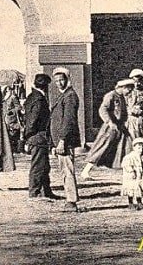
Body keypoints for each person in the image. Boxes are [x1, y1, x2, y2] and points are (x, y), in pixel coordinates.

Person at [81, 79, 134, 180]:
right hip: (110, 129)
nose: (129, 92)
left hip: (120, 127)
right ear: (123, 88)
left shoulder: (121, 97)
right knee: (102, 148)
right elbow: (102, 109)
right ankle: (85, 171)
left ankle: (126, 173)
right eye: (128, 89)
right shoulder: (111, 95)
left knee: (126, 148)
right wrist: (109, 122)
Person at [48, 67, 81, 212]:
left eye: (62, 80)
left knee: (67, 170)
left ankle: (71, 201)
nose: (59, 83)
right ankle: (70, 199)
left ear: (67, 79)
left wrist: (62, 140)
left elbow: (69, 120)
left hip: (65, 141)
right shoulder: (63, 95)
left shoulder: (70, 96)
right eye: (56, 81)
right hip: (59, 140)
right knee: (64, 169)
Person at [22, 73, 57, 200]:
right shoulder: (39, 99)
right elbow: (33, 120)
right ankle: (35, 192)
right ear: (45, 86)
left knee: (44, 165)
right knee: (38, 166)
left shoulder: (31, 97)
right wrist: (29, 135)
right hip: (38, 137)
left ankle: (46, 191)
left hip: (37, 137)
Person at [120, 139, 143, 210]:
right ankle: (130, 203)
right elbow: (126, 165)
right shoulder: (130, 156)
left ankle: (139, 202)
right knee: (131, 189)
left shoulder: (141, 156)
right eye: (138, 148)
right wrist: (131, 171)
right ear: (134, 148)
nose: (140, 150)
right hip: (132, 176)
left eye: (142, 148)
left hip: (140, 176)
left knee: (139, 188)